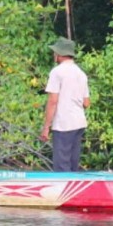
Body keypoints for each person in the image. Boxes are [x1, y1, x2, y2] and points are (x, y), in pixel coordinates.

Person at [40, 37, 90, 173]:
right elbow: (86, 103)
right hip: (79, 123)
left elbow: (52, 101)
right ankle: (73, 190)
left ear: (60, 54)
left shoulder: (57, 72)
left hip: (64, 124)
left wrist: (46, 127)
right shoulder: (81, 73)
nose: (54, 55)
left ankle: (62, 191)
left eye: (55, 52)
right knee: (73, 164)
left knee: (62, 165)